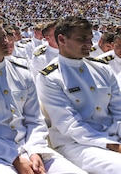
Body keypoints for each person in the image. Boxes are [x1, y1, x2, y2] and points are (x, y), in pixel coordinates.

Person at [0, 18, 86, 174]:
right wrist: (15, 157)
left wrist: (35, 151)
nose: (5, 41)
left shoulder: (23, 72)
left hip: (30, 147)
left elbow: (35, 119)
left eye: (4, 36)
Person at [36, 16, 121, 174]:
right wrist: (112, 145)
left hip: (113, 137)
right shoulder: (50, 77)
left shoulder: (102, 69)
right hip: (76, 145)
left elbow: (118, 110)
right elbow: (70, 125)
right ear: (62, 39)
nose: (89, 44)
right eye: (82, 39)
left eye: (90, 38)